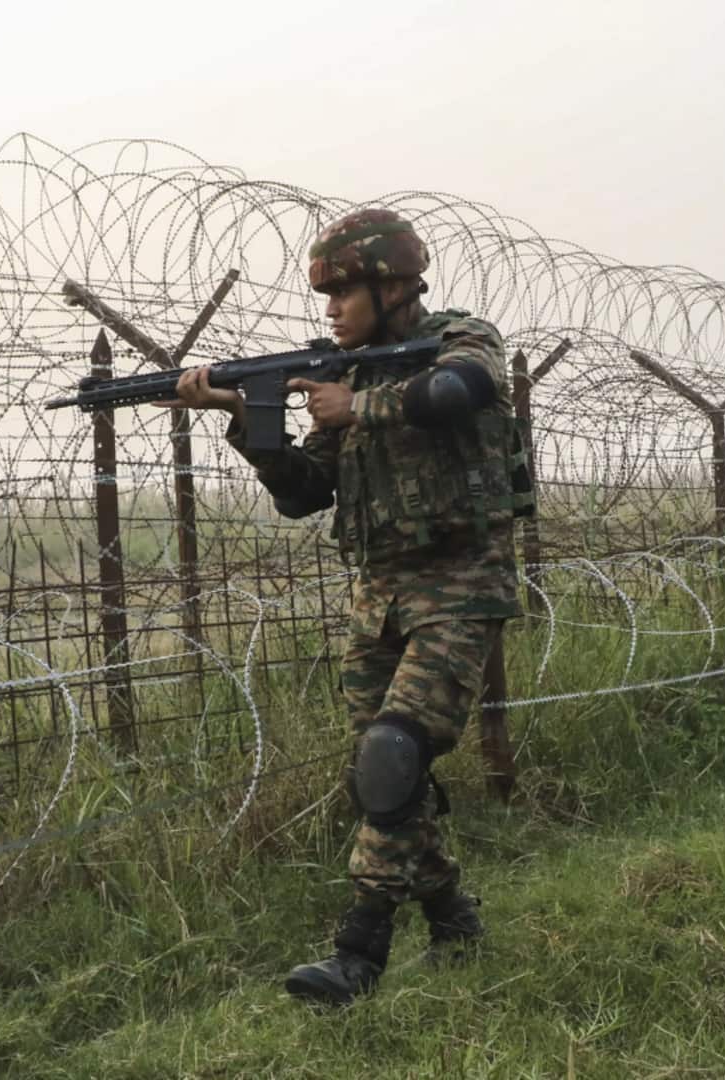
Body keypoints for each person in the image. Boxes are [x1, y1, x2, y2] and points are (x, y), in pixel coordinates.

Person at [167, 208, 531, 1006]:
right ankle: (452, 918)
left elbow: (467, 388)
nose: (330, 310)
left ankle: (359, 954)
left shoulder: (460, 338)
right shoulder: (351, 374)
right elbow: (304, 494)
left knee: (394, 755)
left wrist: (360, 408)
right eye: (326, 296)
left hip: (461, 586)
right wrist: (243, 419)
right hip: (378, 599)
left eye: (343, 293)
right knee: (383, 779)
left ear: (392, 286)